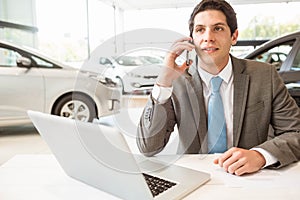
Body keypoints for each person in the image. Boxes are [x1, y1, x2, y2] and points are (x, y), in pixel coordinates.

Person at [137, 0, 300, 176]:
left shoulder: (264, 75)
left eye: (218, 28)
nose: (208, 37)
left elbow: (295, 132)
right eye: (200, 30)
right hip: (193, 177)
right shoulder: (176, 81)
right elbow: (148, 147)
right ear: (192, 38)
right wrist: (163, 83)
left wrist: (260, 155)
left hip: (249, 179)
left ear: (234, 36)